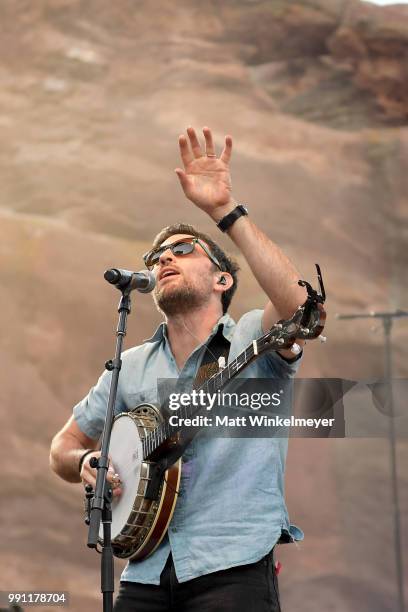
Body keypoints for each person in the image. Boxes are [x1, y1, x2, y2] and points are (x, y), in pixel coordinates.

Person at [50, 126, 309, 612]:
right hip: (144, 569)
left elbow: (301, 307)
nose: (165, 256)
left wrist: (224, 214)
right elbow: (62, 447)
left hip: (232, 567)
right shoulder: (129, 365)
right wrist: (86, 464)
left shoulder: (253, 337)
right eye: (156, 256)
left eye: (185, 249)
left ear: (222, 279)